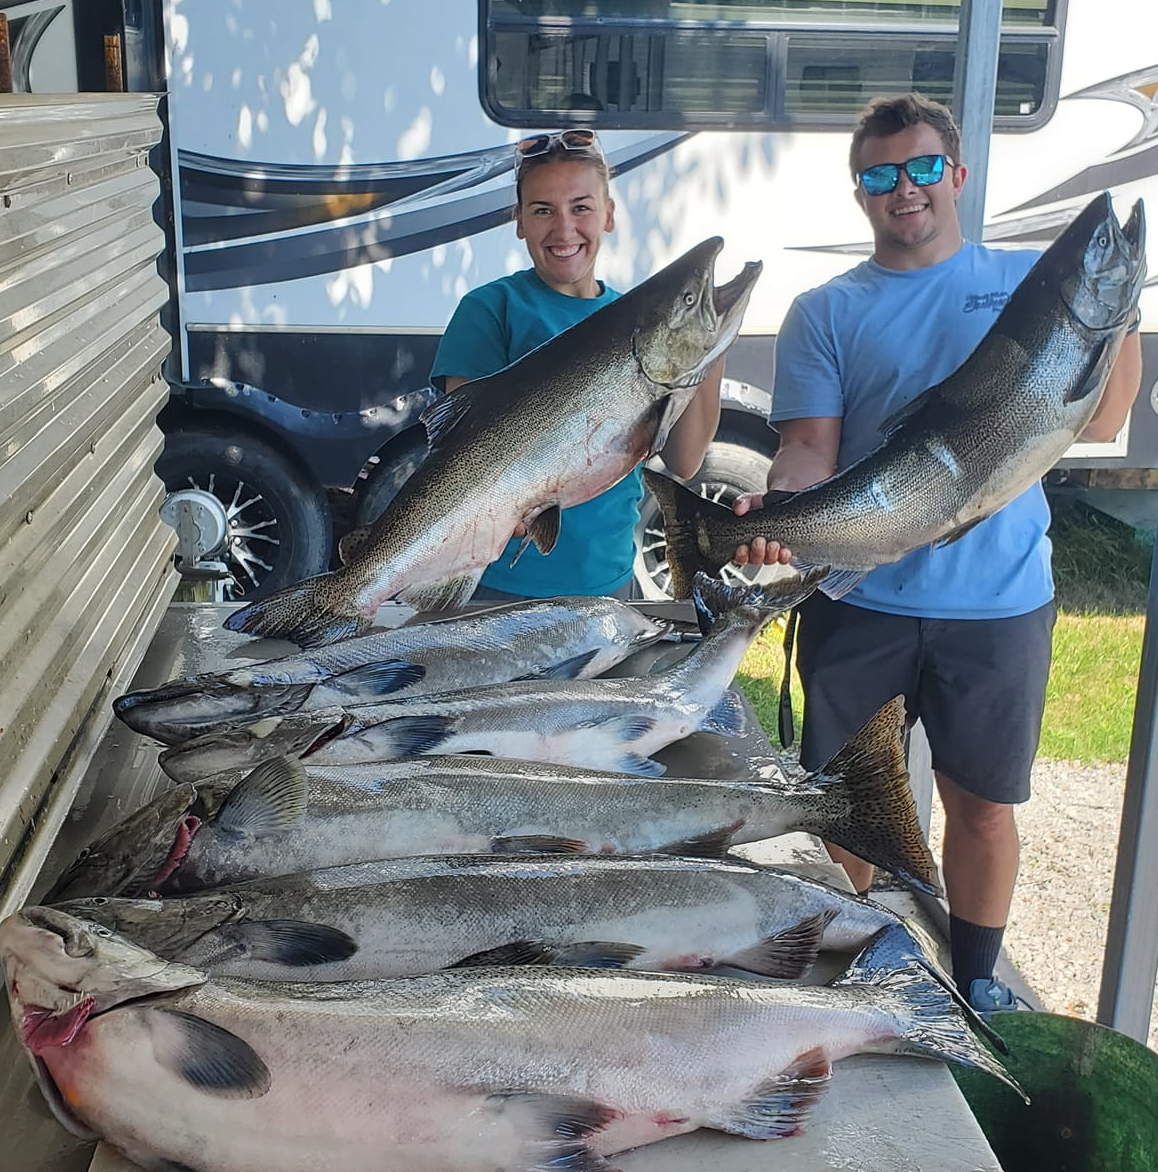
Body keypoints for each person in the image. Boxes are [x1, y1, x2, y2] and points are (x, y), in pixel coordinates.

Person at [733, 93, 1143, 1012]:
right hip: (863, 596)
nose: (904, 189)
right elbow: (810, 448)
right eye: (880, 175)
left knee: (985, 808)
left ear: (955, 175)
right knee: (848, 808)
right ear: (860, 192)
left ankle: (976, 980)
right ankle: (837, 969)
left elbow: (1106, 414)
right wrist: (784, 508)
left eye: (922, 168)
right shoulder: (826, 309)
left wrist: (1119, 316)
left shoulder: (1028, 278)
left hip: (998, 604)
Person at [430, 129, 724, 601]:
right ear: (519, 221)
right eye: (543, 210)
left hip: (609, 586)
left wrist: (706, 338)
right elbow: (462, 454)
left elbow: (685, 461)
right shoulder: (491, 309)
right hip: (496, 589)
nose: (564, 229)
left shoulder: (647, 324)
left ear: (608, 215)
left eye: (581, 207)